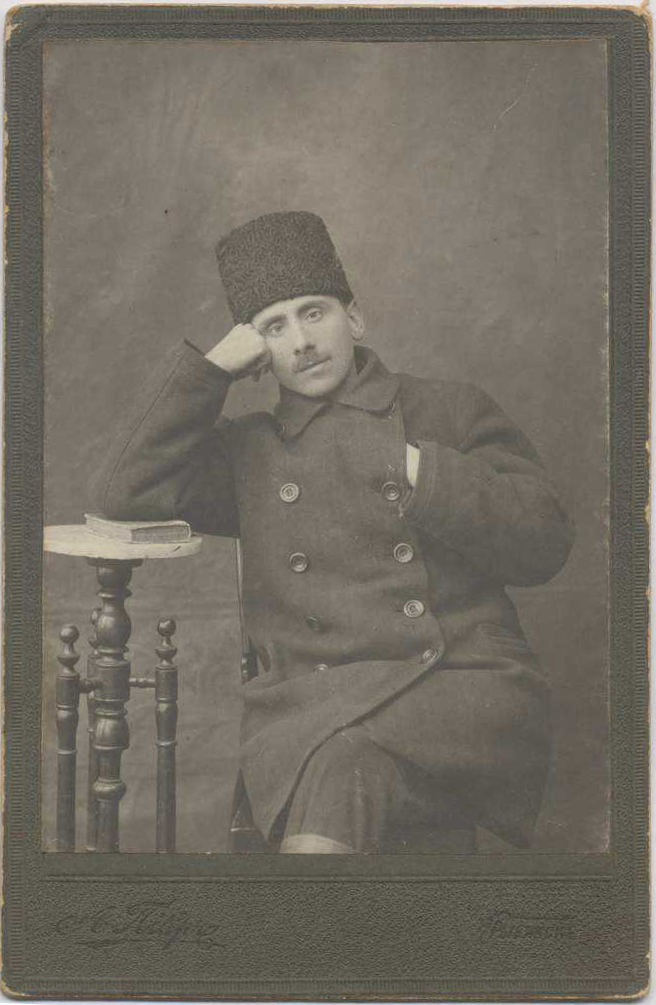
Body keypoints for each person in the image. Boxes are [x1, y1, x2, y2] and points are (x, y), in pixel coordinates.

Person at [92, 211, 574, 854]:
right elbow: (121, 491)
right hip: (317, 703)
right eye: (274, 326)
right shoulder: (250, 453)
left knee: (335, 757)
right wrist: (210, 370)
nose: (301, 341)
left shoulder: (449, 408)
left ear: (355, 319)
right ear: (257, 353)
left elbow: (545, 542)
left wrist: (416, 468)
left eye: (314, 313)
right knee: (340, 759)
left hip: (462, 686)